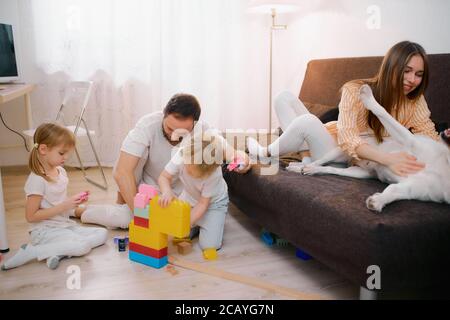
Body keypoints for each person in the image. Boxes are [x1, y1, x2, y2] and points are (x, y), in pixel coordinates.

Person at [247, 41, 440, 176]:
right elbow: (348, 136)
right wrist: (387, 159)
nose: (412, 80)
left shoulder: (415, 101)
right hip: (329, 136)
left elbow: (429, 135)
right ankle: (305, 154)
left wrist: (445, 143)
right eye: (406, 71)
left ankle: (265, 152)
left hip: (340, 154)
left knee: (306, 122)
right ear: (391, 66)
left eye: (419, 74)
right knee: (283, 97)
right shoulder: (355, 89)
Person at [79, 93, 251, 229]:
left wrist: (242, 161)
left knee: (188, 225)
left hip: (186, 195)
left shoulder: (204, 131)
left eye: (181, 132)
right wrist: (140, 215)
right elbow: (122, 171)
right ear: (164, 114)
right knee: (126, 218)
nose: (173, 135)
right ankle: (81, 210)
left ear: (194, 124)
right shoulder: (147, 126)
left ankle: (123, 204)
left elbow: (230, 152)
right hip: (152, 189)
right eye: (169, 128)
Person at [1, 123, 107, 271]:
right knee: (82, 245)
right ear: (44, 149)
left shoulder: (61, 172)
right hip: (44, 232)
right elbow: (31, 216)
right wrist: (64, 206)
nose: (66, 157)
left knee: (102, 233)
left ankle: (56, 252)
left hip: (63, 225)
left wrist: (74, 201)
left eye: (68, 153)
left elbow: (57, 202)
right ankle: (31, 252)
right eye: (62, 153)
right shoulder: (37, 179)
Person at [158, 132, 229, 251]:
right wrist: (166, 191)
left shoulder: (214, 175)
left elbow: (203, 204)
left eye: (191, 172)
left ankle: (208, 222)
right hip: (189, 198)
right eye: (186, 165)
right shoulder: (182, 154)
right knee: (178, 232)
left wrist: (186, 222)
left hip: (213, 205)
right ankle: (196, 225)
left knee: (210, 246)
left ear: (207, 172)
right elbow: (164, 177)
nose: (186, 170)